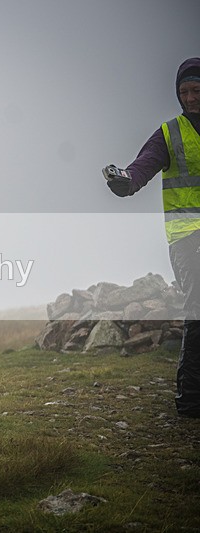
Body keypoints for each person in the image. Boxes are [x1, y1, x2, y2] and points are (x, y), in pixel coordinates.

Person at [104, 58, 200, 418]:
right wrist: (125, 181)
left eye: (196, 90)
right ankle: (190, 401)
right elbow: (142, 166)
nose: (190, 98)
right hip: (187, 237)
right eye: (184, 92)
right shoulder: (169, 133)